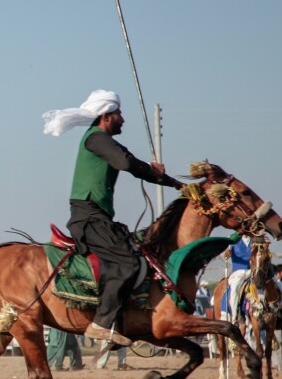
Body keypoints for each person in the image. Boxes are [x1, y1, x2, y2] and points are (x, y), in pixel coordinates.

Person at [43, 89, 183, 346]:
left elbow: (131, 163)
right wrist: (155, 172)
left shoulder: (104, 140)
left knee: (137, 255)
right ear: (106, 116)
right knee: (128, 262)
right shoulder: (96, 138)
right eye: (119, 113)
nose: (123, 118)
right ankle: (101, 324)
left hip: (97, 217)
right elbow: (127, 163)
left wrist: (173, 183)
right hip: (89, 218)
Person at [221, 236, 253, 322]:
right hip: (239, 273)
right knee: (234, 289)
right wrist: (228, 252)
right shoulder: (234, 239)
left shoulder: (254, 240)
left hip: (252, 271)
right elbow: (228, 250)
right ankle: (234, 318)